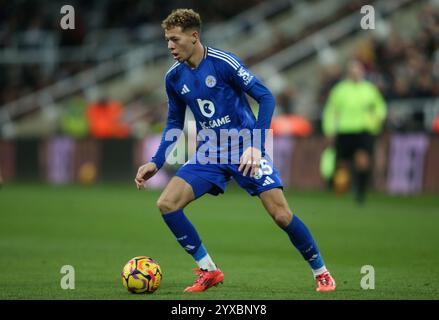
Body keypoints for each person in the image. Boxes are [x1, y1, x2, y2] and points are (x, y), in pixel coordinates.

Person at [135, 9, 336, 293]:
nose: (169, 46)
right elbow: (174, 123)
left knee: (281, 215)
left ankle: (322, 273)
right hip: (211, 152)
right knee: (166, 204)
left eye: (174, 39)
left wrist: (256, 145)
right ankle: (209, 270)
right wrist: (156, 162)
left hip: (245, 146)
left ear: (194, 36)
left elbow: (265, 97)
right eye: (167, 39)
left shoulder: (223, 63)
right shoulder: (173, 77)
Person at [322, 60, 387, 204]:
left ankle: (361, 193)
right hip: (345, 130)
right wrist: (329, 129)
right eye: (353, 70)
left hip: (364, 130)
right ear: (348, 72)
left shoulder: (370, 89)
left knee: (363, 160)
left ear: (362, 72)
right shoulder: (340, 90)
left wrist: (376, 121)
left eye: (358, 70)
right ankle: (340, 191)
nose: (355, 73)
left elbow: (380, 107)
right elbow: (331, 111)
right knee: (342, 164)